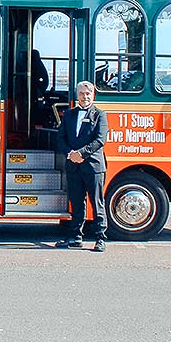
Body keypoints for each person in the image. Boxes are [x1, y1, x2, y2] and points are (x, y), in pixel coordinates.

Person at [55, 81, 109, 252]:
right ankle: (75, 237)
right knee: (77, 203)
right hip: (73, 166)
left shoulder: (100, 115)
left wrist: (82, 154)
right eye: (81, 93)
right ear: (76, 95)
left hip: (93, 166)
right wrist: (71, 154)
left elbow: (100, 139)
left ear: (93, 95)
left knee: (97, 202)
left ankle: (100, 238)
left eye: (88, 93)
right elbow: (61, 137)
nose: (85, 97)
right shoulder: (69, 115)